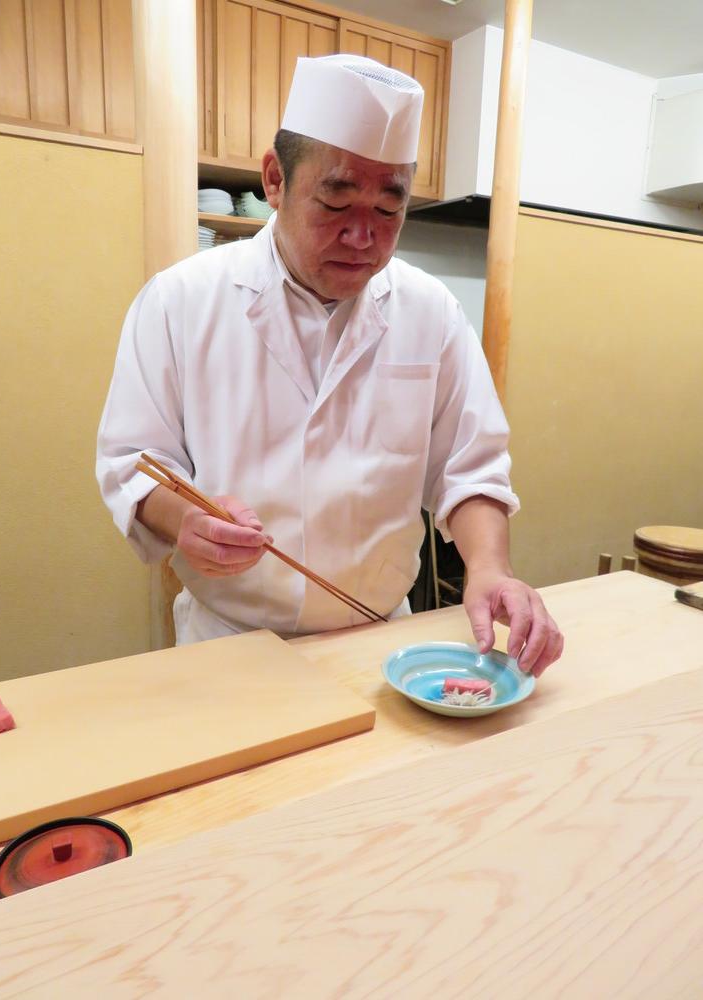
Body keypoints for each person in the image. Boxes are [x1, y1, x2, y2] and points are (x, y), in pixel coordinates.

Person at [97, 54, 563, 676]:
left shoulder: (431, 311)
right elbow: (132, 461)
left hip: (380, 646)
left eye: (388, 210)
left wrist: (490, 567)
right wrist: (184, 519)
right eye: (337, 203)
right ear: (275, 179)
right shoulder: (180, 300)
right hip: (228, 644)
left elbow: (469, 467)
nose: (363, 237)